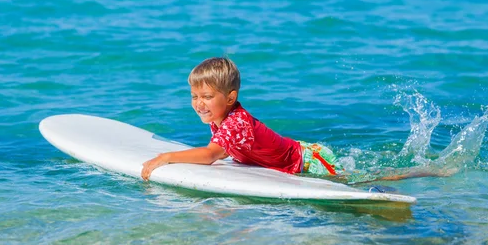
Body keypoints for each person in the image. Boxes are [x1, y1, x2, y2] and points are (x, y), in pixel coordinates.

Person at [141, 57, 448, 182]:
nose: (199, 104)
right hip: (298, 155)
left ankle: (425, 172)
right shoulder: (221, 117)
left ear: (230, 98)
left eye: (207, 97)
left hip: (308, 162)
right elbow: (216, 147)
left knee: (363, 180)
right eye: (195, 97)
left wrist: (167, 157)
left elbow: (210, 155)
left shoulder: (235, 122)